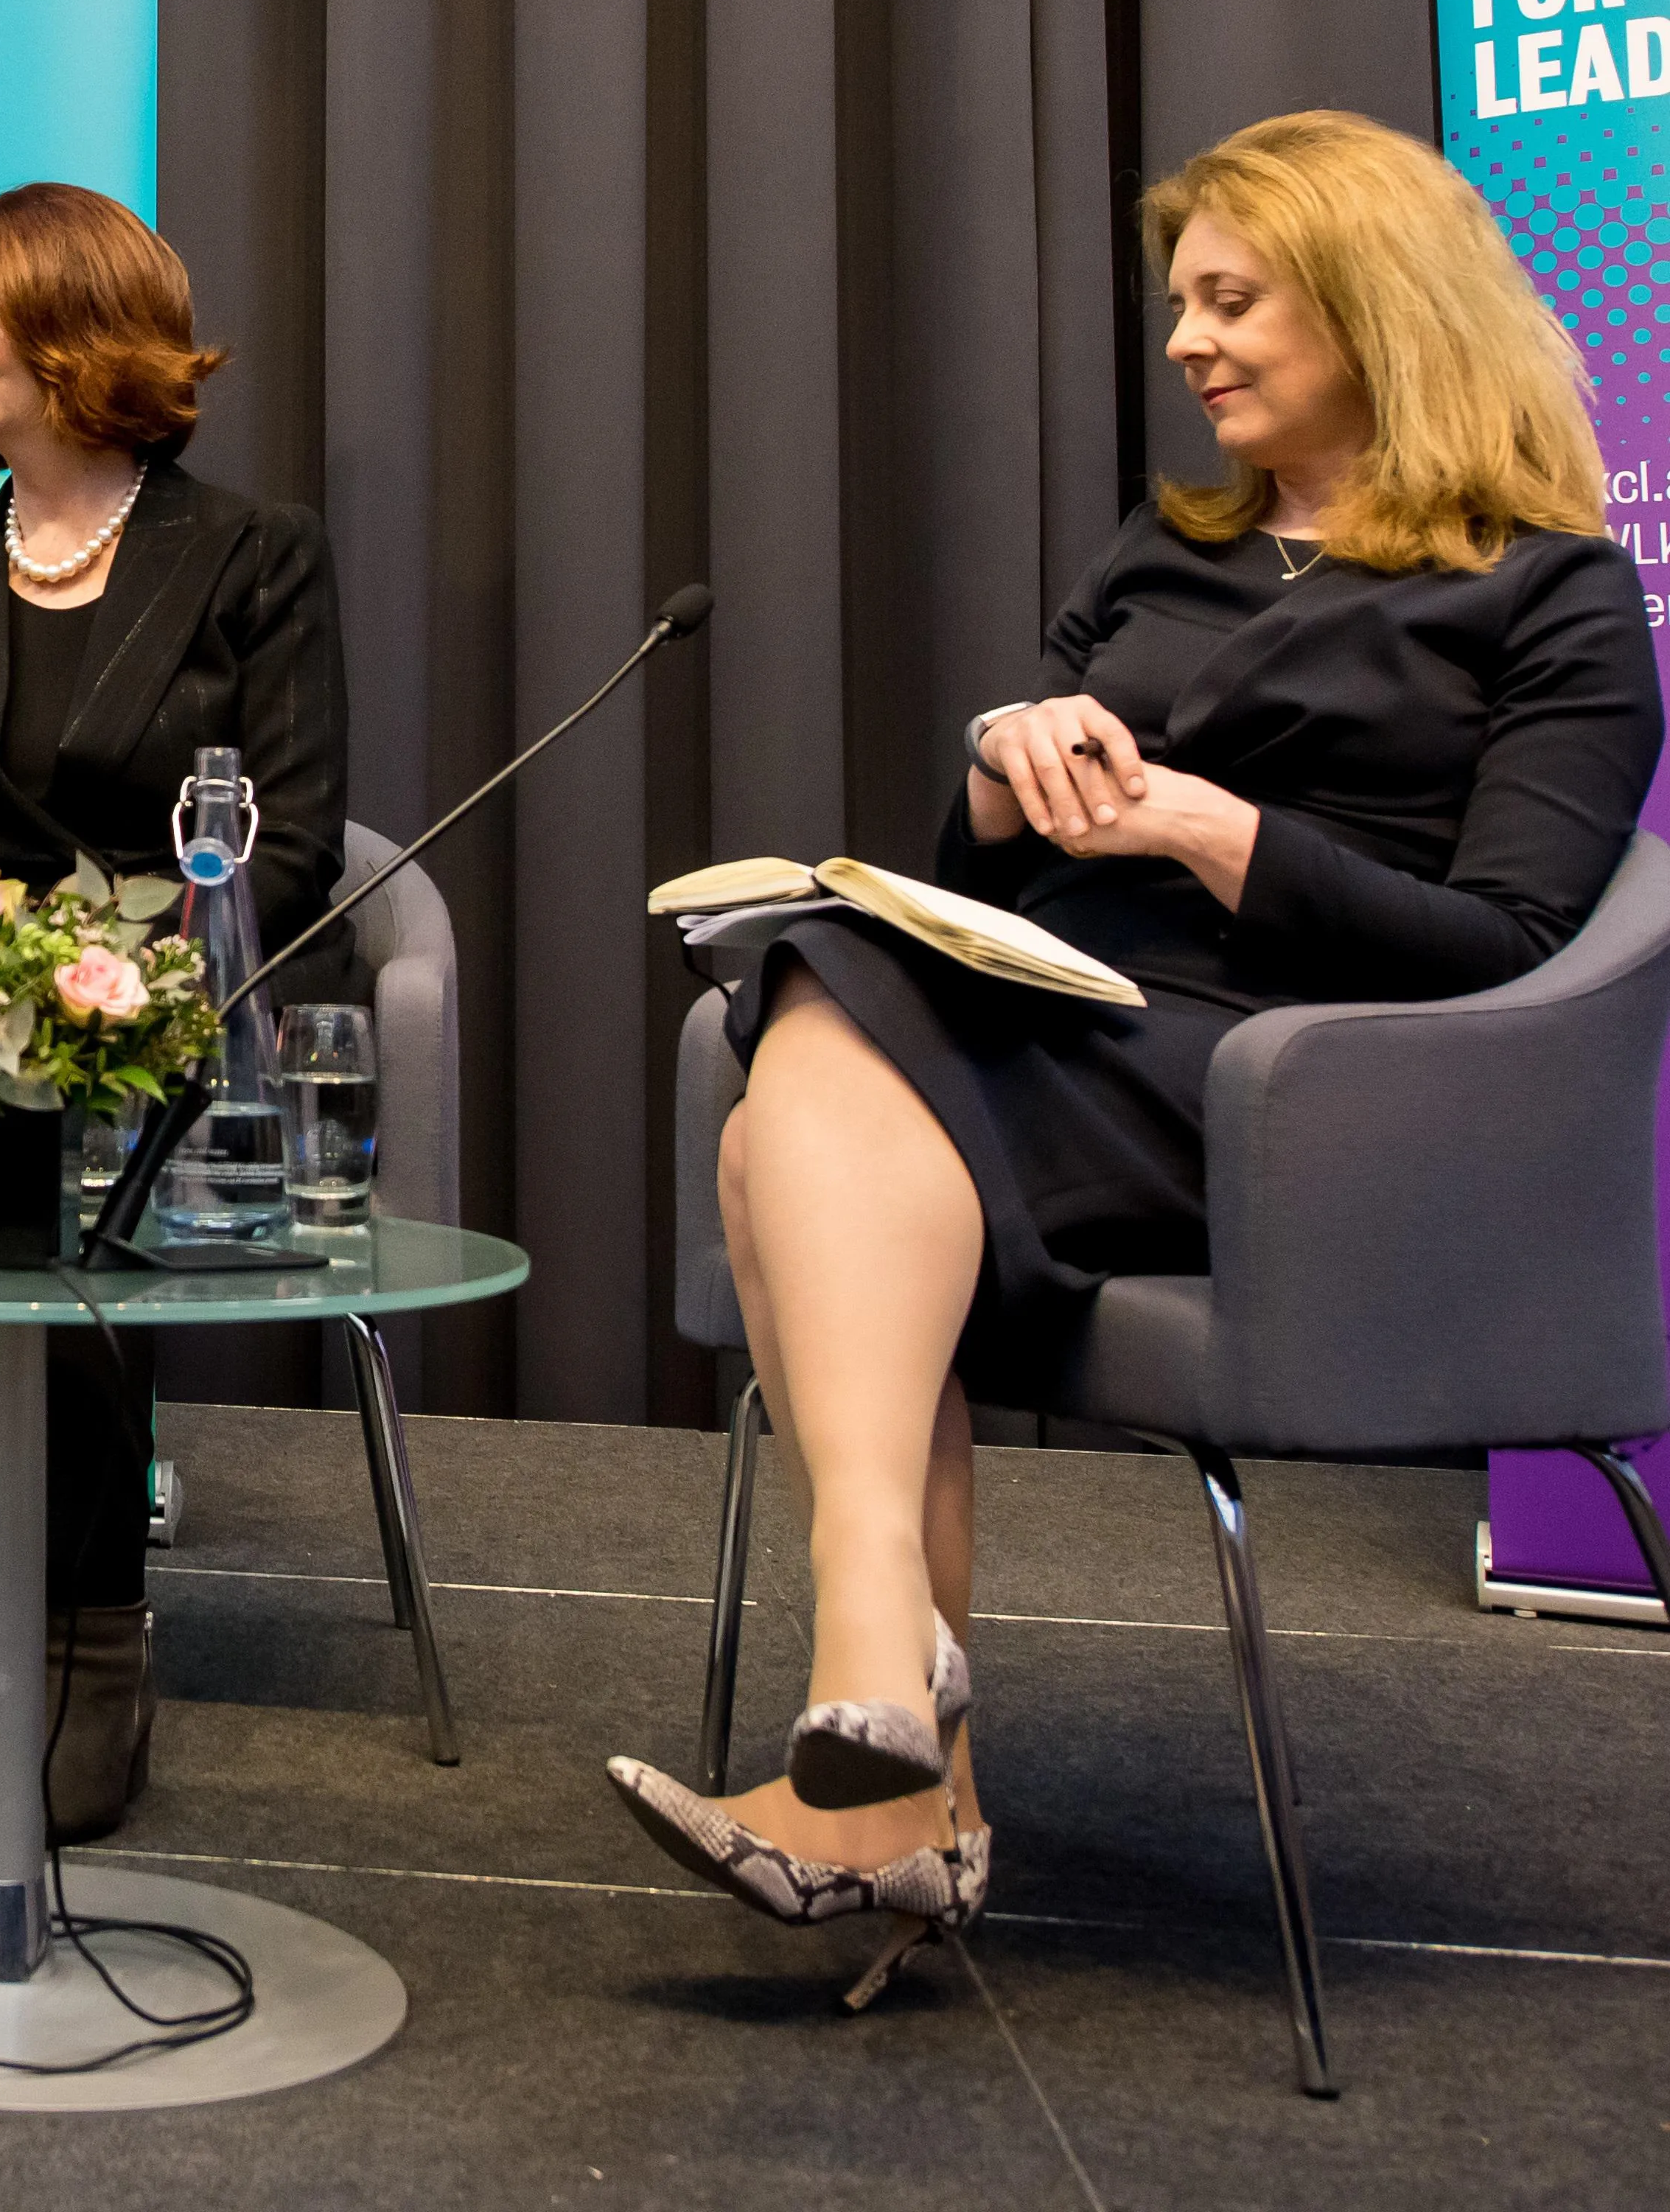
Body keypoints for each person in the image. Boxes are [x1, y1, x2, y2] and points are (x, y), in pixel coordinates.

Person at [608, 110, 1663, 1981]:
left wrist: (1200, 828)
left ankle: (889, 1738)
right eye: (1179, 303)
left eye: (1229, 300)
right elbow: (968, 872)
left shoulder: (1544, 591)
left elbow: (1507, 938)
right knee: (827, 975)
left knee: (796, 1092)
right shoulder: (1164, 549)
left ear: (1370, 301)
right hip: (1056, 1023)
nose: (1184, 343)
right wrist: (1010, 782)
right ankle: (888, 1745)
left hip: (1296, 1086)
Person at [0, 181, 350, 1845]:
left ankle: (97, 1637)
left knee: (53, 1116)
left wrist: (97, 966)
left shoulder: (250, 555)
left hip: (172, 1002)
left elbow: (295, 838)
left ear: (69, 329)